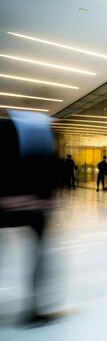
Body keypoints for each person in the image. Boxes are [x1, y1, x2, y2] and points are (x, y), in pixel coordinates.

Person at [0, 110, 58, 324]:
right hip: (33, 206)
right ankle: (34, 309)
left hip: (17, 205)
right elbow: (50, 170)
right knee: (40, 257)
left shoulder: (7, 131)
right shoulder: (44, 133)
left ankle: (35, 308)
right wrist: (45, 199)